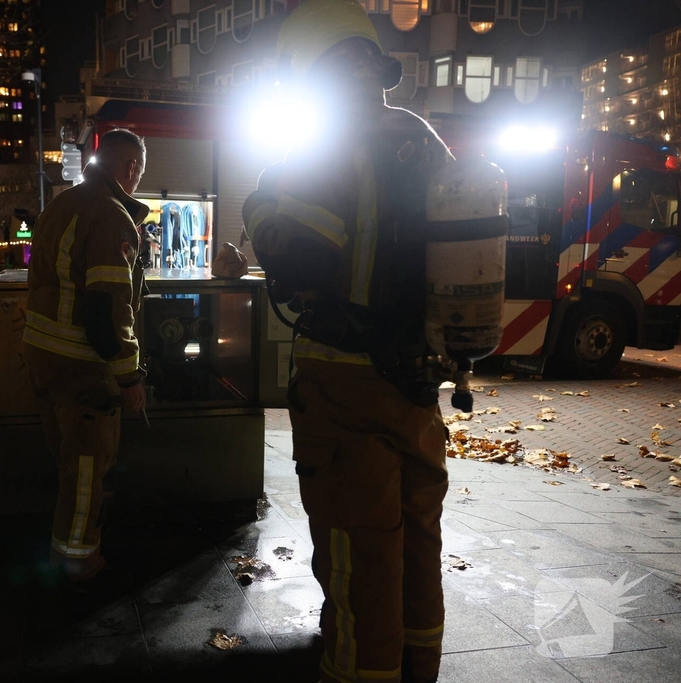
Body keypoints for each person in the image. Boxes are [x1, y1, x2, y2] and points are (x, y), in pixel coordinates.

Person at [243, 2, 454, 682]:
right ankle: (418, 667)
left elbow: (301, 263)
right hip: (418, 385)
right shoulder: (422, 136)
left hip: (344, 383)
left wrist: (261, 208)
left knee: (356, 549)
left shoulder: (330, 144)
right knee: (416, 540)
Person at [21, 128, 148, 588]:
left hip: (43, 355)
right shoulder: (112, 215)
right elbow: (107, 310)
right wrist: (129, 376)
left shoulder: (62, 204)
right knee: (88, 467)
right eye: (139, 170)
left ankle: (69, 546)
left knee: (69, 459)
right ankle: (77, 562)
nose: (137, 179)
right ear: (130, 166)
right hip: (83, 365)